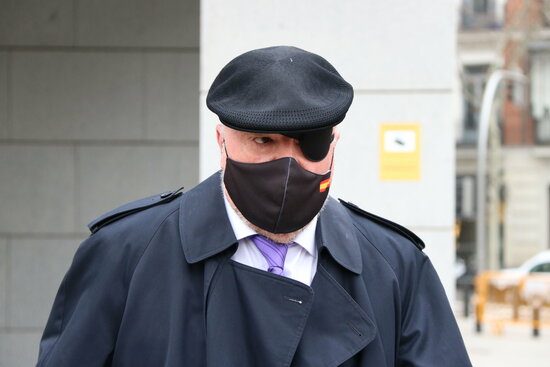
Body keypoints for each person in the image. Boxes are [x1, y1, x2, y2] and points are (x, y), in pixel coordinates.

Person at [36, 46, 471, 366]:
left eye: (309, 145)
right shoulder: (125, 255)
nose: (288, 167)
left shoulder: (396, 268)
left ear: (334, 145)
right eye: (263, 141)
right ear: (221, 142)